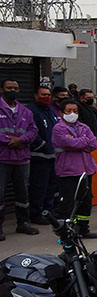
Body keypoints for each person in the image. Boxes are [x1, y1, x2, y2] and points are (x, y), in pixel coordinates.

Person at [52, 99, 97, 239]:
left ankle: (83, 229)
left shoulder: (84, 127)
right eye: (69, 111)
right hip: (68, 171)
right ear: (61, 113)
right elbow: (67, 143)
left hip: (86, 170)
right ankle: (66, 232)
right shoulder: (58, 128)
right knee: (67, 203)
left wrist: (78, 141)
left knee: (86, 201)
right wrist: (82, 141)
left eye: (75, 111)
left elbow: (93, 144)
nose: (72, 114)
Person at [0, 79, 40, 241]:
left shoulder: (25, 111)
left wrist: (22, 140)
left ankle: (23, 222)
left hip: (22, 158)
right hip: (2, 157)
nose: (13, 90)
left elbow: (33, 130)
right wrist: (9, 141)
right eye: (9, 88)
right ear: (2, 89)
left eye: (16, 88)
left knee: (23, 192)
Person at [27, 86, 59, 225]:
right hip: (39, 157)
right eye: (43, 94)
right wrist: (45, 146)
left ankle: (49, 212)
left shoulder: (50, 111)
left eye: (48, 94)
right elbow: (33, 133)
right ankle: (37, 214)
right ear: (35, 95)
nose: (46, 97)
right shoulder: (31, 111)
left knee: (51, 187)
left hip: (53, 157)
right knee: (39, 187)